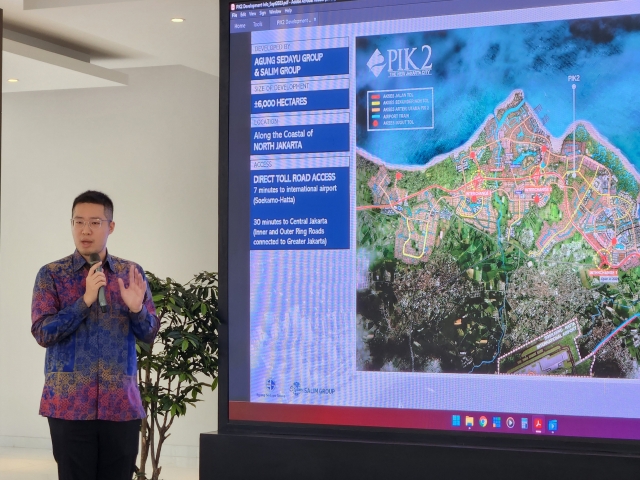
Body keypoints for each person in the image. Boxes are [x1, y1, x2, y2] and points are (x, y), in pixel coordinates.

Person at [31, 190, 159, 480]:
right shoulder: (52, 275)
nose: (85, 230)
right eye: (78, 222)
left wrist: (137, 308)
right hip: (69, 406)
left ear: (110, 226)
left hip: (120, 405)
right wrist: (84, 301)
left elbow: (149, 333)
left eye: (95, 222)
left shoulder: (130, 273)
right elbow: (43, 332)